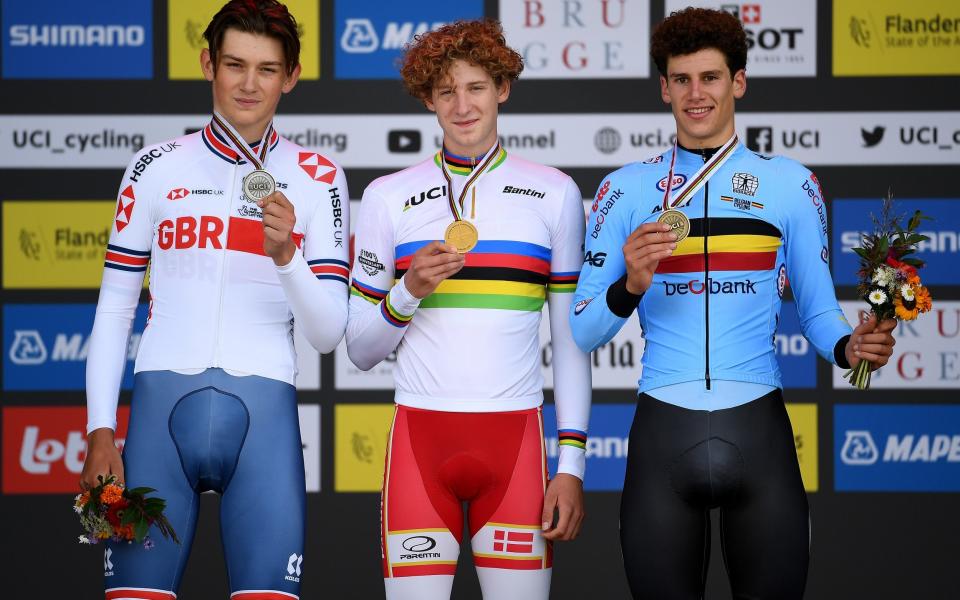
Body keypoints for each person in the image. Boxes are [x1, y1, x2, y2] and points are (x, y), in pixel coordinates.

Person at [570, 8, 896, 600]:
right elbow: (585, 332)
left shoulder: (790, 183)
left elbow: (820, 313)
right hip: (663, 430)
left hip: (759, 431)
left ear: (738, 82)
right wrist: (630, 286)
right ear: (663, 88)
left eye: (711, 77)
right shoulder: (625, 188)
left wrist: (853, 347)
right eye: (682, 79)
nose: (697, 94)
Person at [79, 1, 349, 598]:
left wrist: (287, 257)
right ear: (208, 64)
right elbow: (115, 310)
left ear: (292, 75)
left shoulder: (319, 177)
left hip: (265, 421)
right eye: (235, 64)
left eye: (267, 69)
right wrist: (101, 431)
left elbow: (329, 334)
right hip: (156, 417)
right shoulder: (152, 167)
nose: (249, 84)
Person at [345, 19, 592, 600]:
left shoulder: (554, 193)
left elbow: (570, 340)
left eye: (476, 87)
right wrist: (408, 292)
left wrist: (572, 467)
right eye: (447, 90)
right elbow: (359, 351)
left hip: (516, 446)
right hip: (418, 442)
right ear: (428, 98)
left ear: (502, 88)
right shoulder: (388, 195)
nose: (463, 105)